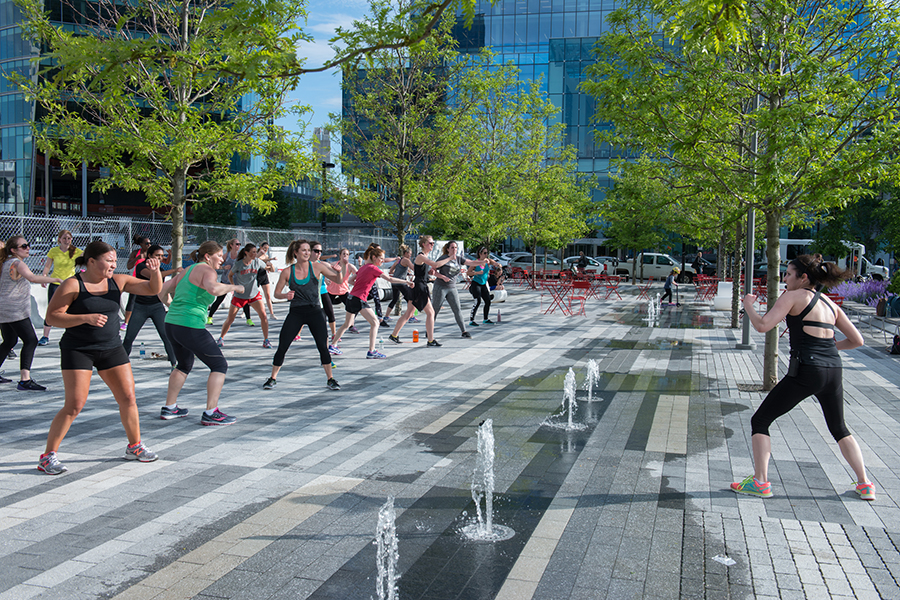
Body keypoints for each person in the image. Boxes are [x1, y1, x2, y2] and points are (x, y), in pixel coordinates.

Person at [732, 254, 874, 501]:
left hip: (807, 370)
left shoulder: (792, 297)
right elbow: (857, 341)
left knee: (761, 420)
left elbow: (763, 326)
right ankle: (865, 484)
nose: (784, 278)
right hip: (833, 370)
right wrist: (828, 348)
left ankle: (760, 483)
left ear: (803, 277)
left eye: (788, 274)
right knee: (839, 427)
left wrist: (748, 305)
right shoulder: (830, 304)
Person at [39, 241, 162, 475]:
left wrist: (155, 272)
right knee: (74, 405)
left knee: (128, 397)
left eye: (115, 260)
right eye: (109, 260)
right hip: (79, 349)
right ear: (92, 261)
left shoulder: (118, 280)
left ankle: (134, 446)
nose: (113, 264)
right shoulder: (73, 285)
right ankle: (48, 456)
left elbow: (151, 289)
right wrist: (84, 318)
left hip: (111, 347)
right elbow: (52, 317)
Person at [159, 240, 243, 425]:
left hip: (172, 324)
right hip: (190, 325)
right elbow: (213, 288)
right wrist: (234, 288)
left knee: (183, 365)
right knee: (219, 365)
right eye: (219, 256)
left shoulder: (186, 271)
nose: (222, 259)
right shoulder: (207, 270)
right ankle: (211, 412)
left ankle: (170, 407)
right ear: (207, 256)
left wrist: (170, 305)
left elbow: (162, 290)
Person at [263, 240, 348, 391]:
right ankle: (272, 378)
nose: (307, 253)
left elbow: (339, 280)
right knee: (283, 345)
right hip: (296, 312)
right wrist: (285, 296)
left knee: (322, 346)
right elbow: (276, 293)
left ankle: (331, 378)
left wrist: (339, 270)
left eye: (309, 250)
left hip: (315, 311)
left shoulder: (317, 267)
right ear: (295, 253)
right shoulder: (288, 271)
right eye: (304, 250)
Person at [0, 236, 63, 391]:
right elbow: (32, 277)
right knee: (31, 340)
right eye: (24, 246)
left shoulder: (5, 263)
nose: (28, 248)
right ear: (14, 250)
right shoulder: (17, 263)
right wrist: (55, 279)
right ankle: (25, 380)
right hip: (15, 310)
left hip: (4, 309)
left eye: (28, 245)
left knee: (9, 341)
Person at [332, 246, 413, 358]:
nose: (383, 261)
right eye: (381, 258)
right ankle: (372, 351)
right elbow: (390, 279)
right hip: (359, 299)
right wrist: (407, 282)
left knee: (347, 324)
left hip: (351, 297)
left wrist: (360, 286)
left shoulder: (364, 267)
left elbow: (350, 280)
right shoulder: (373, 268)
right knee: (375, 323)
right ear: (374, 257)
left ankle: (333, 345)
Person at [388, 236, 456, 347]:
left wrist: (431, 273)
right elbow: (435, 264)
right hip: (419, 287)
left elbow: (423, 271)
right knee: (431, 313)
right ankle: (430, 340)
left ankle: (394, 335)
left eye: (433, 243)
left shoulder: (424, 257)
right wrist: (450, 258)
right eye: (430, 243)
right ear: (424, 244)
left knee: (409, 313)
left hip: (420, 286)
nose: (432, 245)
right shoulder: (421, 256)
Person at [121, 244, 178, 366]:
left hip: (156, 307)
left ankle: (175, 365)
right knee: (129, 338)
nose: (160, 258)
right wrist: (174, 270)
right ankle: (120, 365)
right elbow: (152, 275)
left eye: (162, 256)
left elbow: (162, 289)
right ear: (149, 256)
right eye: (157, 255)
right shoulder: (141, 266)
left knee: (166, 336)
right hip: (140, 307)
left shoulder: (161, 270)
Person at [217, 243, 270, 348]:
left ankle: (266, 340)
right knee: (230, 319)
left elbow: (268, 268)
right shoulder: (239, 264)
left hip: (254, 295)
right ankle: (221, 338)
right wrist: (234, 286)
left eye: (255, 252)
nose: (255, 254)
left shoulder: (257, 262)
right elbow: (230, 275)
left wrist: (271, 267)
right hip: (239, 296)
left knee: (263, 316)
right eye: (253, 252)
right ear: (246, 253)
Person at [39, 230, 82, 346]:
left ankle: (73, 334)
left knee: (71, 309)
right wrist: (44, 277)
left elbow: (88, 259)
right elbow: (48, 265)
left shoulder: (76, 251)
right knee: (51, 309)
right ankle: (45, 336)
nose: (66, 241)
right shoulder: (54, 251)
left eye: (69, 238)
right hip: (56, 283)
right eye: (64, 238)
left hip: (70, 284)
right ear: (59, 239)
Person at [432, 241, 481, 338]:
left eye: (456, 248)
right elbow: (432, 270)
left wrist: (483, 261)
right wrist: (442, 277)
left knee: (457, 309)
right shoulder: (443, 258)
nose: (454, 249)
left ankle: (464, 331)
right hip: (440, 287)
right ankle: (429, 330)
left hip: (452, 288)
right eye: (452, 248)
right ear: (448, 249)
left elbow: (470, 262)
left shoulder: (459, 259)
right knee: (435, 310)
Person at [207, 239, 251, 324]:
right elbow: (216, 266)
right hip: (226, 280)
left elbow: (246, 264)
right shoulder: (226, 255)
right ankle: (210, 317)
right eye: (236, 244)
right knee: (219, 299)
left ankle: (248, 319)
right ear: (231, 245)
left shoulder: (240, 255)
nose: (238, 246)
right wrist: (223, 267)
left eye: (239, 244)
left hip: (237, 281)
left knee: (244, 299)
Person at [467, 246, 501, 327]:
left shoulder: (488, 261)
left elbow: (494, 263)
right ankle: (472, 320)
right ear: (480, 254)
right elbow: (468, 273)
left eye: (487, 253)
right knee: (477, 301)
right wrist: (476, 273)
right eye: (485, 253)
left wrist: (498, 264)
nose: (486, 255)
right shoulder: (475, 262)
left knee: (488, 301)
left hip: (483, 284)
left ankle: (485, 319)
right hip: (476, 284)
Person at [123, 235, 151, 330]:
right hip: (137, 280)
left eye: (150, 243)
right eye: (147, 243)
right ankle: (126, 322)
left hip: (148, 280)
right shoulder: (136, 253)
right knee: (132, 300)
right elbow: (129, 266)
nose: (149, 245)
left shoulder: (151, 253)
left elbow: (164, 261)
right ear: (141, 244)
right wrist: (137, 258)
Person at [387, 244, 415, 319]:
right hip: (401, 282)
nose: (410, 255)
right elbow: (413, 268)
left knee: (394, 299)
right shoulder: (406, 260)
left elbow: (391, 271)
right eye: (410, 254)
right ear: (406, 253)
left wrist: (399, 273)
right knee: (411, 299)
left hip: (394, 282)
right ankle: (411, 317)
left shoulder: (398, 260)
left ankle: (386, 316)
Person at [256, 241, 277, 320]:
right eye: (264, 248)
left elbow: (269, 268)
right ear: (260, 247)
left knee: (268, 295)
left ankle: (271, 313)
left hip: (263, 275)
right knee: (250, 295)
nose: (265, 250)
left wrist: (270, 265)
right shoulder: (256, 255)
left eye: (267, 249)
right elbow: (259, 261)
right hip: (256, 275)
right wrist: (270, 259)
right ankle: (244, 312)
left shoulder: (266, 256)